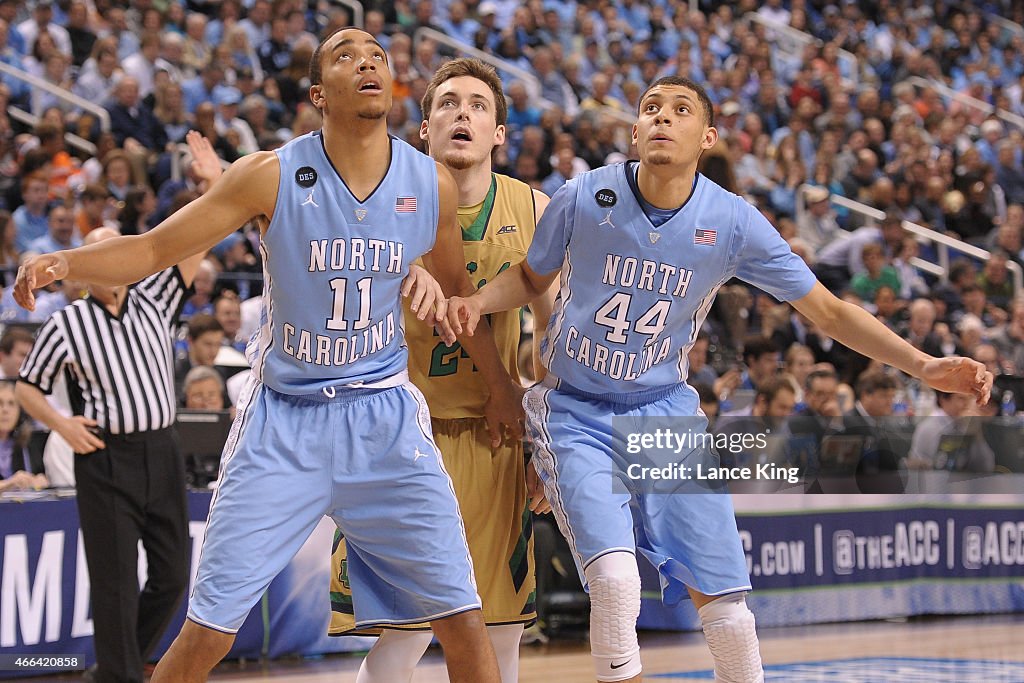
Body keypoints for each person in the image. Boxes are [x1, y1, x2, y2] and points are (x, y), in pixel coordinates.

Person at [446, 76, 992, 683]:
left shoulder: (732, 222)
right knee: (616, 582)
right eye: (650, 109)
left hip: (665, 412)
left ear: (705, 137)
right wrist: (477, 301)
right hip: (576, 410)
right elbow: (530, 276)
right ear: (633, 130)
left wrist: (923, 365)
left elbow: (830, 312)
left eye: (680, 111)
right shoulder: (586, 195)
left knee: (729, 608)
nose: (661, 119)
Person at [14, 28, 506, 683]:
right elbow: (156, 248)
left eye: (378, 56)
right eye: (345, 54)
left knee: (463, 624)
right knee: (205, 633)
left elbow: (456, 291)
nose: (367, 61)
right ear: (316, 94)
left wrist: (500, 386)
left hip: (384, 418)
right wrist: (64, 261)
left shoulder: (432, 185)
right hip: (284, 422)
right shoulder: (270, 174)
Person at [327, 58, 554, 683]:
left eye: (479, 105)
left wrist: (548, 439)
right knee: (404, 635)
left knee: (501, 630)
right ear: (424, 127)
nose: (463, 114)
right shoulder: (383, 201)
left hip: (494, 434)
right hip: (403, 437)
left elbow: (552, 329)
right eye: (448, 103)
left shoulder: (535, 208)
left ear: (499, 133)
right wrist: (400, 268)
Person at [14, 131, 220, 683]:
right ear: (82, 267)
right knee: (115, 584)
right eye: (97, 253)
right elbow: (28, 385)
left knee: (174, 576)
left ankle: (115, 667)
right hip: (106, 456)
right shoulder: (65, 323)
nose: (110, 260)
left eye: (116, 249)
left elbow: (203, 237)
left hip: (162, 448)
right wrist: (60, 424)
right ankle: (122, 674)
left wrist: (214, 184)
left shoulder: (157, 297)